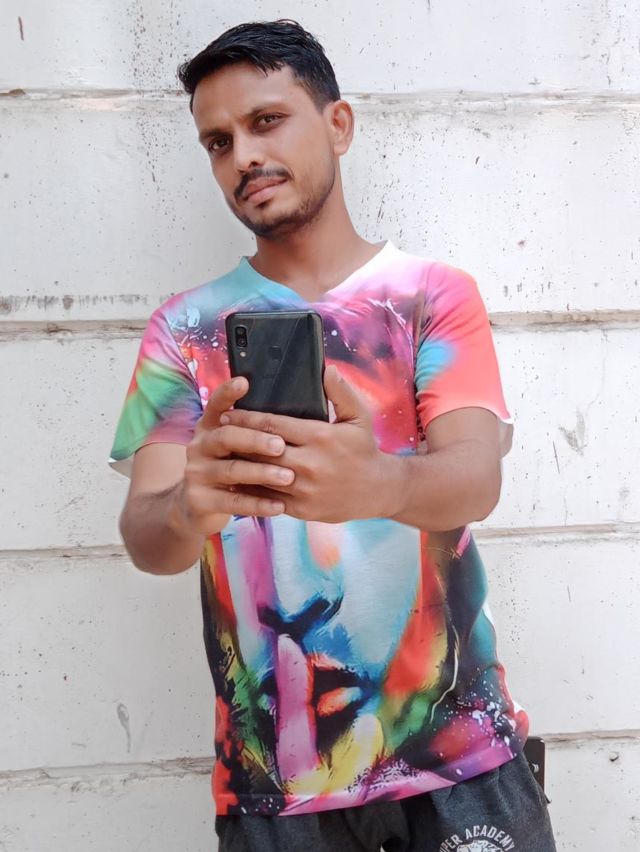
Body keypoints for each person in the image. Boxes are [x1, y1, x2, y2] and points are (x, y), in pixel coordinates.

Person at [110, 19, 556, 852]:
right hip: (275, 793)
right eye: (218, 142)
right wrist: (187, 508)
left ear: (338, 124)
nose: (243, 156)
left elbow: (475, 476)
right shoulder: (183, 329)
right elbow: (147, 537)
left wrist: (381, 483)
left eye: (266, 121)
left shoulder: (431, 296)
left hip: (463, 762)